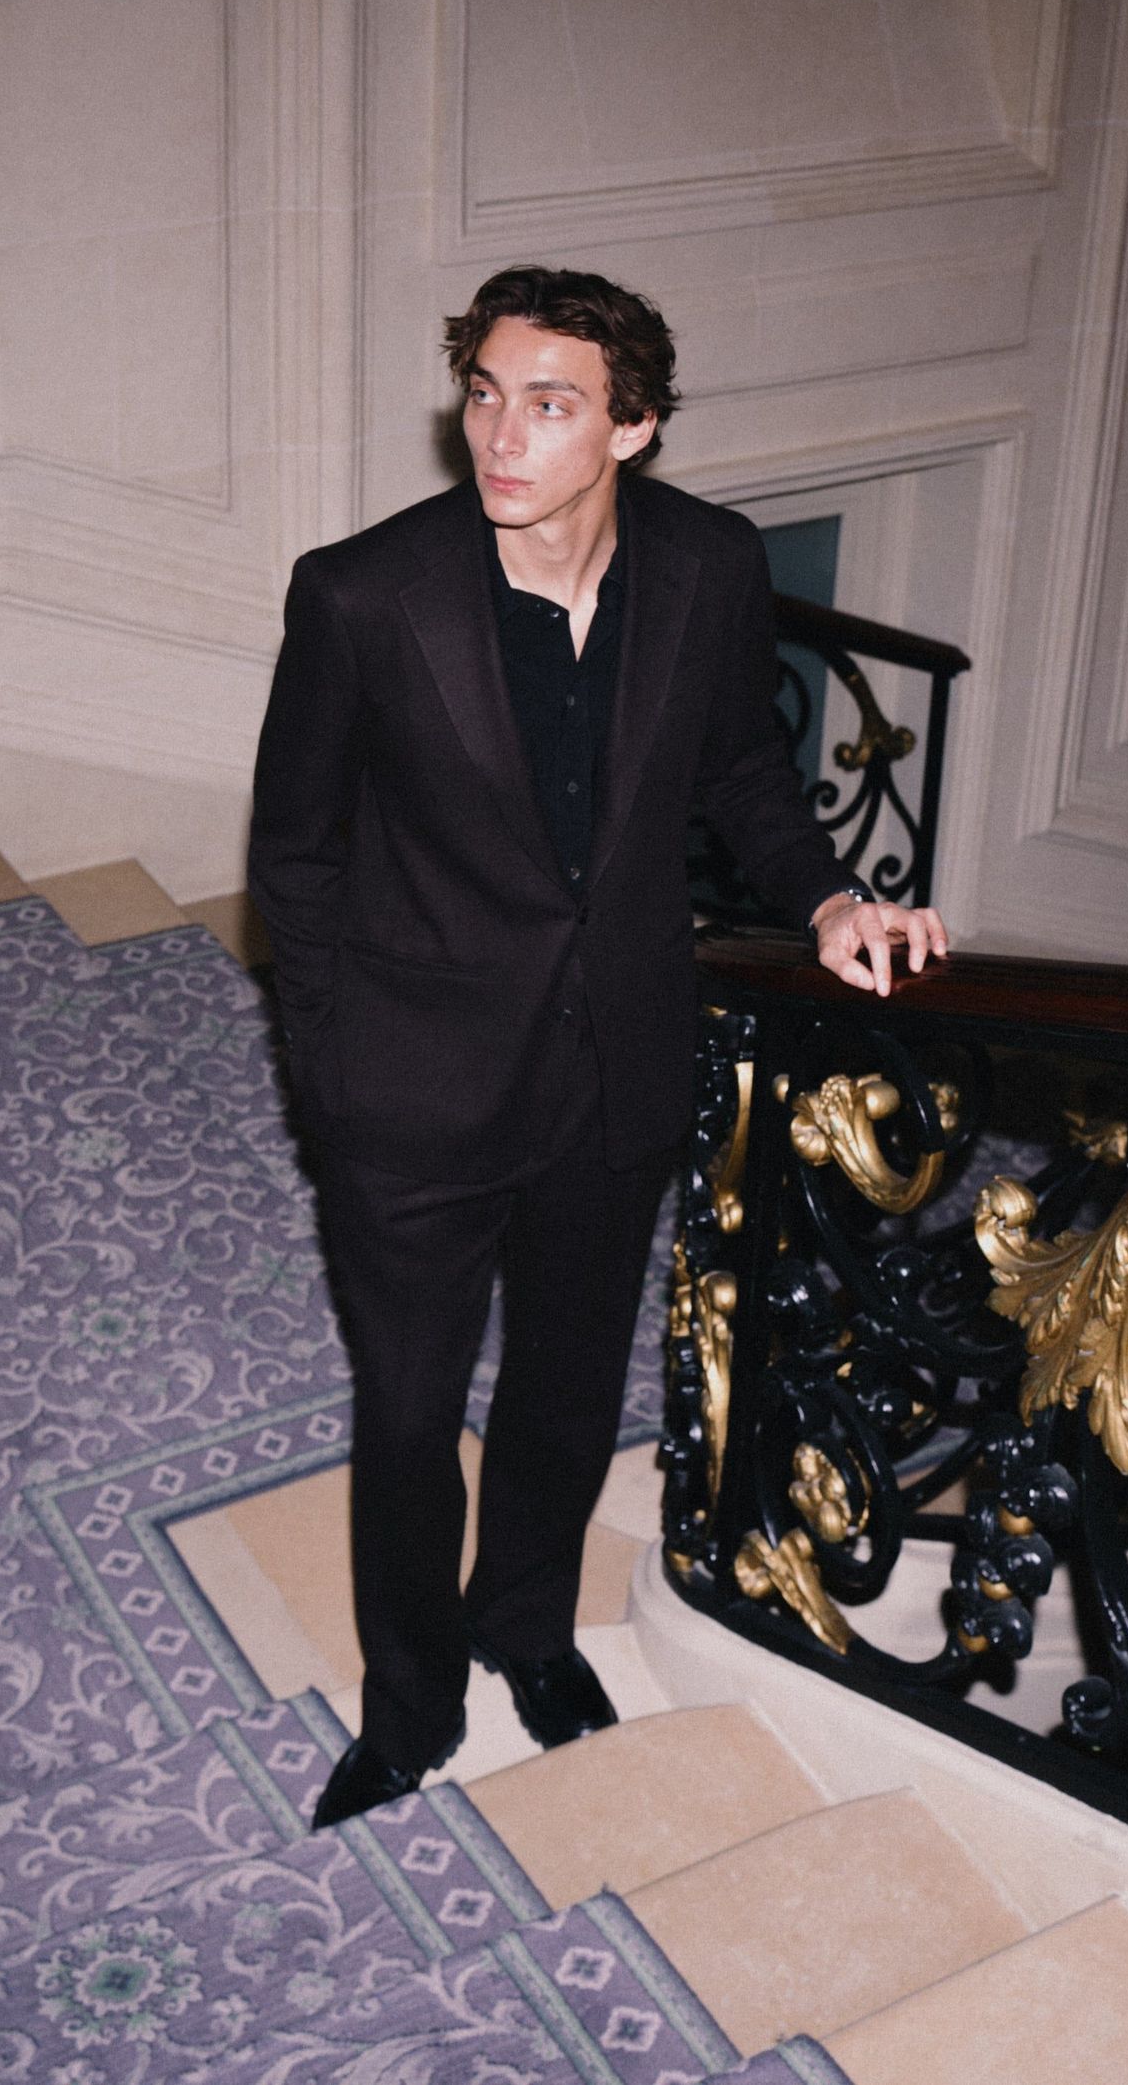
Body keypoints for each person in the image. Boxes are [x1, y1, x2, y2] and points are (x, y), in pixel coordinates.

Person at [247, 266, 947, 1826]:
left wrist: (831, 897)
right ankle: (410, 1706)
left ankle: (527, 1627)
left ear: (631, 426)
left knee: (567, 1390)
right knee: (410, 1415)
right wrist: (332, 1072)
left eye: (549, 404)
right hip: (413, 1085)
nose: (501, 435)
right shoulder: (362, 595)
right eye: (484, 395)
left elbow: (744, 769)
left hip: (615, 1063)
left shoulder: (708, 565)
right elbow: (292, 853)